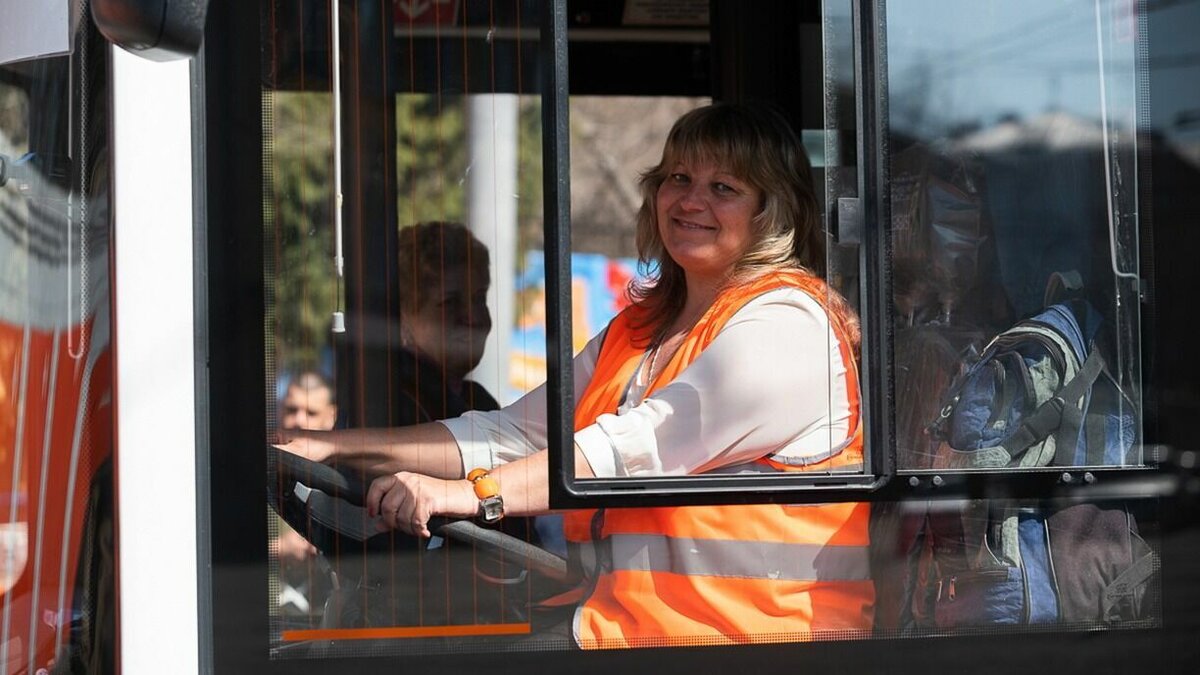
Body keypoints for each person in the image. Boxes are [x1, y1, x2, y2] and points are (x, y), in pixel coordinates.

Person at [280, 103, 874, 648]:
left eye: (724, 188)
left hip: (762, 642)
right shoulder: (642, 330)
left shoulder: (790, 327)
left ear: (771, 213)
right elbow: (514, 434)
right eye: (678, 179)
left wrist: (468, 496)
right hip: (633, 629)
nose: (691, 201)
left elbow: (632, 450)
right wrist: (332, 445)